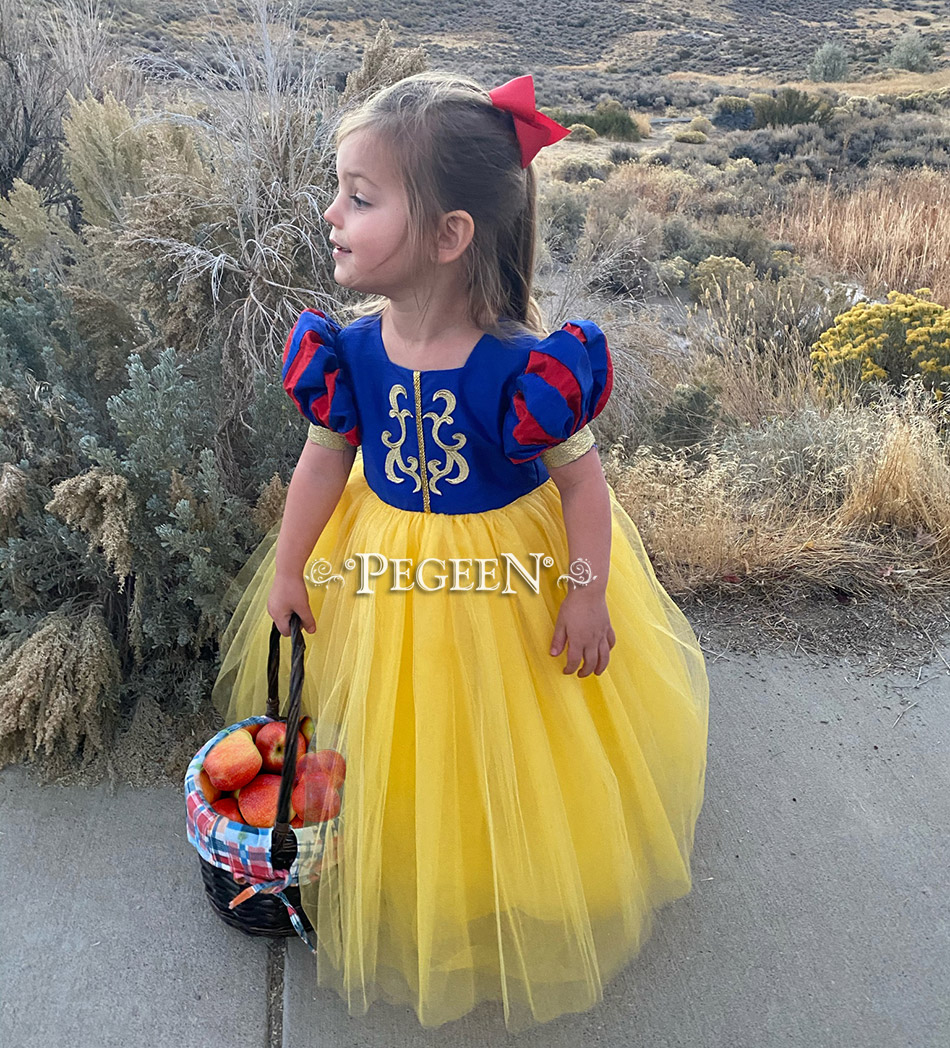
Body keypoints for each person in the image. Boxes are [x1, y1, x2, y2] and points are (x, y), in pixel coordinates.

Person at [210, 70, 709, 1032]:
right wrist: (288, 567)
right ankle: (407, 861)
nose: (332, 213)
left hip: (506, 583)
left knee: (503, 736)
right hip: (379, 569)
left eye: (361, 196)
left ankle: (502, 876)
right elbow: (321, 466)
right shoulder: (350, 353)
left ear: (448, 235)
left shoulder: (523, 368)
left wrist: (587, 594)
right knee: (399, 730)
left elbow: (584, 485)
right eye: (338, 190)